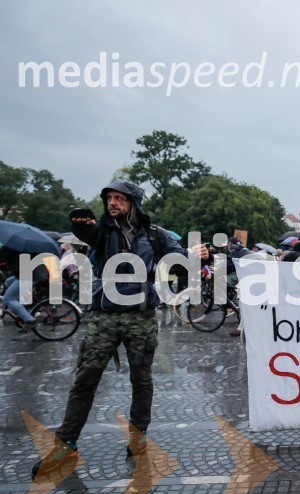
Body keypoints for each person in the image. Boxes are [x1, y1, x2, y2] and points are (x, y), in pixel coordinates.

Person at [32, 180, 209, 479]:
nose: (112, 203)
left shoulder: (155, 235)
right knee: (85, 379)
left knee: (141, 380)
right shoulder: (102, 230)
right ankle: (65, 444)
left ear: (134, 203)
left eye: (119, 199)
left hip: (141, 316)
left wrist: (197, 256)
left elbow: (180, 265)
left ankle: (138, 439)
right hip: (105, 315)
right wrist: (82, 223)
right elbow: (86, 231)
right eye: (109, 198)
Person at [0, 246, 49, 331]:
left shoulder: (8, 248)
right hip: (34, 273)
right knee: (8, 282)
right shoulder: (25, 247)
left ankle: (30, 320)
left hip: (29, 276)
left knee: (8, 299)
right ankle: (20, 307)